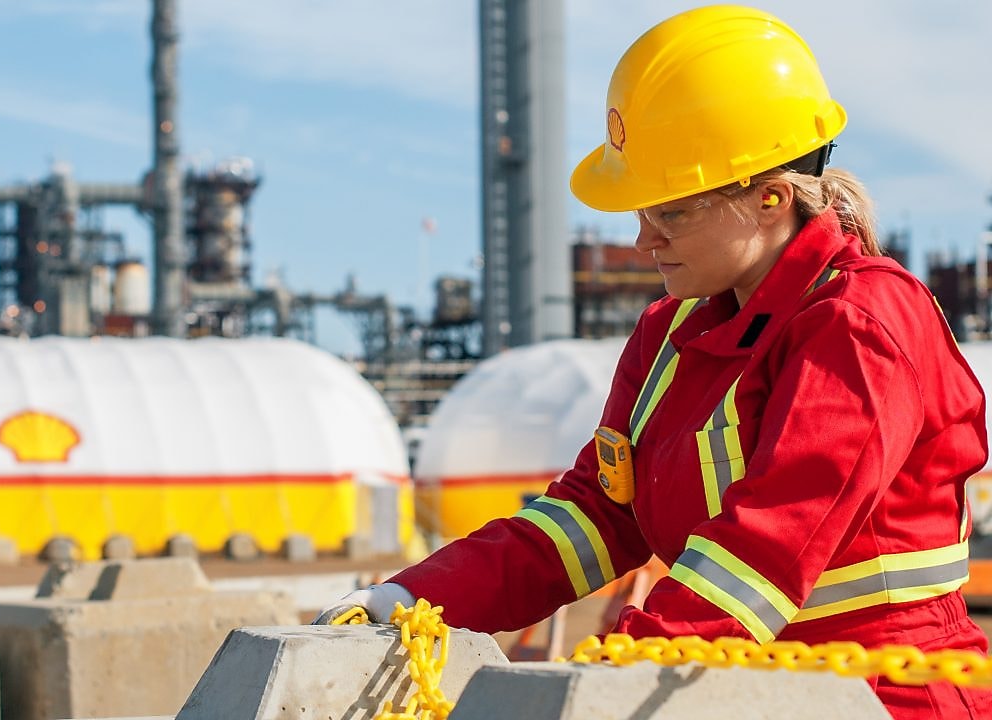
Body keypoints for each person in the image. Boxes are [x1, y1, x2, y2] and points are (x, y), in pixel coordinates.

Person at [317, 6, 992, 718]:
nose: (644, 240)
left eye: (672, 213)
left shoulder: (860, 325)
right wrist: (411, 597)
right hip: (737, 683)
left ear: (772, 199)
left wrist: (619, 670)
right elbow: (594, 519)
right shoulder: (669, 335)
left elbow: (767, 546)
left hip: (888, 695)